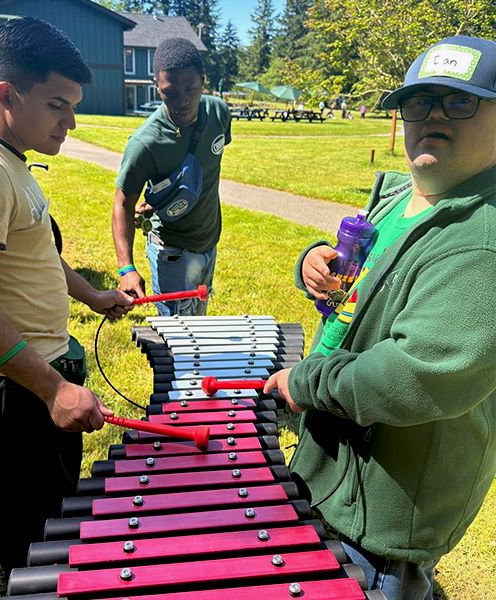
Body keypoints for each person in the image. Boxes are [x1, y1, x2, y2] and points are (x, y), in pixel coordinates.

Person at [264, 35, 496, 600]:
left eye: (459, 102)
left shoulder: (483, 242)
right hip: (340, 461)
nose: (432, 117)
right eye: (419, 102)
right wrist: (316, 264)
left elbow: (417, 374)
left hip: (385, 509)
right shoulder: (402, 198)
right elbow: (361, 286)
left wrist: (305, 381)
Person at [0, 17, 133, 576]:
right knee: (31, 497)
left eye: (73, 105)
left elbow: (34, 250)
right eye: (58, 104)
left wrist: (90, 294)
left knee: (52, 488)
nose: (71, 121)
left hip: (36, 366)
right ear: (7, 95)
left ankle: (44, 564)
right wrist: (53, 388)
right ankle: (27, 578)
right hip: (13, 378)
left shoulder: (6, 156)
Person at [112, 38, 231, 316]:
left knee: (197, 324)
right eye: (170, 92)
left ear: (203, 81)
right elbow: (122, 203)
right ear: (157, 88)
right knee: (179, 338)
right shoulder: (145, 143)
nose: (182, 101)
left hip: (209, 243)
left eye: (190, 89)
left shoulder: (218, 113)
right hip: (171, 252)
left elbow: (205, 165)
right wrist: (126, 268)